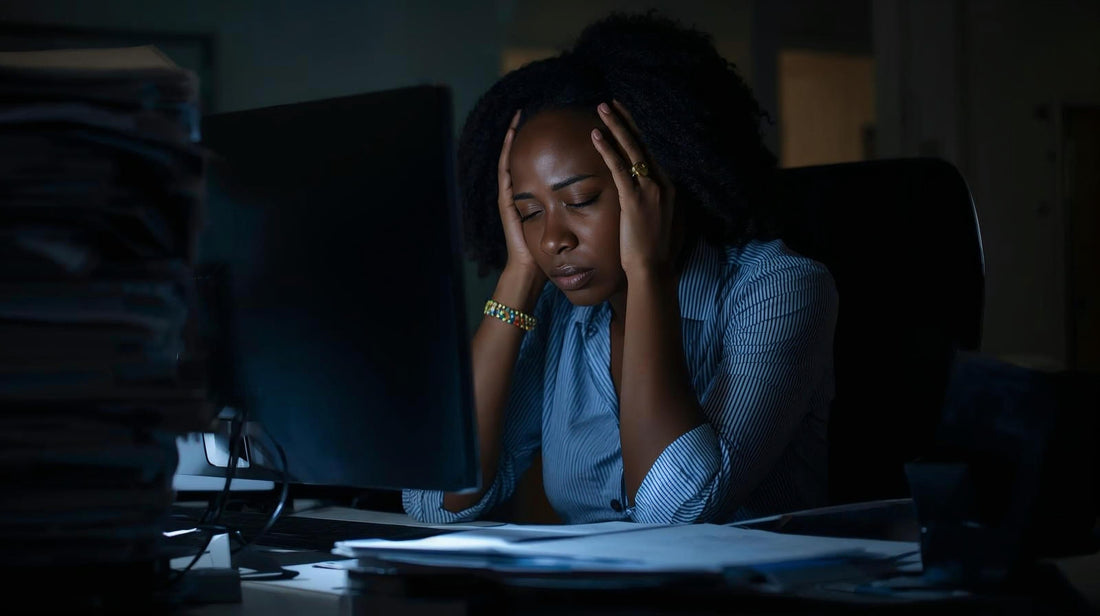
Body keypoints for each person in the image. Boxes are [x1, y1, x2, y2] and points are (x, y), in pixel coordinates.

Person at [403, 11, 838, 525]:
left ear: (659, 183)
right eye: (528, 212)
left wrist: (646, 272)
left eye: (581, 199)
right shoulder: (558, 315)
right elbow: (436, 502)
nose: (552, 239)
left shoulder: (779, 289)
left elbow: (673, 510)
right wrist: (518, 276)